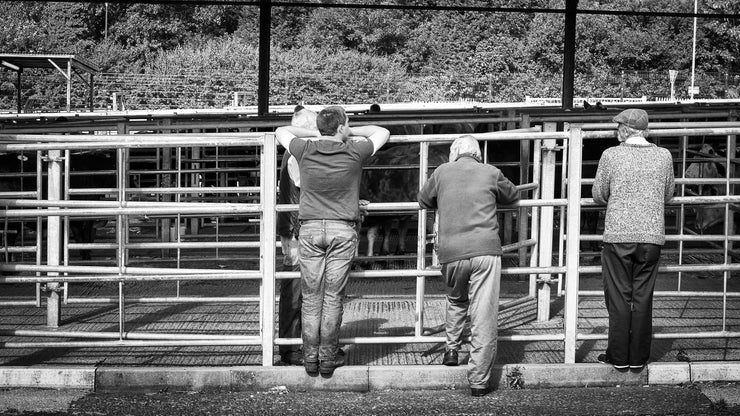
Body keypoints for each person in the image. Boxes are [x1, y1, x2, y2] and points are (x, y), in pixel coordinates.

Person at [275, 106, 390, 376]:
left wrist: (315, 132)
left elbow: (281, 130)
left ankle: (310, 358)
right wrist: (349, 132)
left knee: (311, 297)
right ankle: (328, 358)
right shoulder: (354, 151)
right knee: (333, 297)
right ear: (341, 127)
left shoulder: (304, 150)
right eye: (346, 124)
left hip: (311, 229)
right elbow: (382, 132)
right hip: (342, 230)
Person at [417, 135, 520, 397]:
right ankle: (478, 381)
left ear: (454, 153)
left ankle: (451, 349)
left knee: (456, 299)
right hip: (485, 250)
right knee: (483, 314)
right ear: (477, 153)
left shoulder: (442, 171)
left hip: (451, 252)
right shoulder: (490, 171)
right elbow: (512, 195)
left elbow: (423, 200)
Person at [592, 108, 675, 371]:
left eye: (618, 127)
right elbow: (669, 193)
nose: (616, 130)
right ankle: (639, 358)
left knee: (618, 298)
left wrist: (618, 199)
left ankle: (618, 357)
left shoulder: (611, 155)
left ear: (625, 130)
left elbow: (598, 194)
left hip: (618, 235)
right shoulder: (664, 156)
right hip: (651, 237)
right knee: (642, 297)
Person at [275, 106, 317, 366]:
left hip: (291, 226)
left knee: (296, 285)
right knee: (295, 288)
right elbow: (308, 186)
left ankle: (294, 345)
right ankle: (291, 347)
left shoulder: (292, 152)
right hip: (296, 227)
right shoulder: (298, 154)